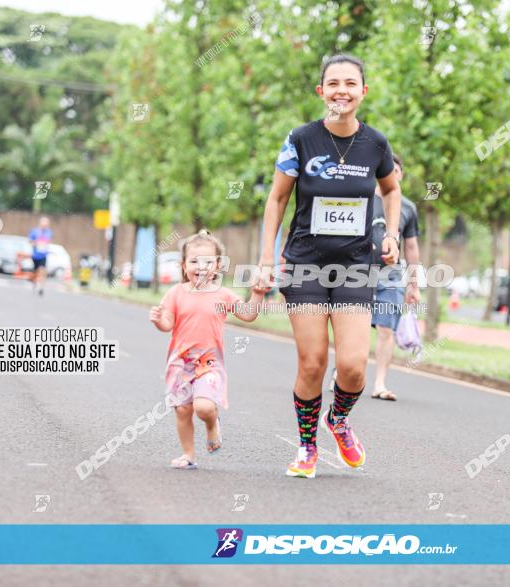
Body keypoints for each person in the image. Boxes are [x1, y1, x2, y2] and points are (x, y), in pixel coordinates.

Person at [256, 54, 403, 479]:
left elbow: (391, 189)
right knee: (313, 362)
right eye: (333, 83)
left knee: (355, 365)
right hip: (305, 264)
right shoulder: (300, 139)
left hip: (357, 265)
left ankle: (337, 420)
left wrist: (390, 234)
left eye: (350, 83)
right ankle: (306, 447)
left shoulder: (376, 143)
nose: (342, 90)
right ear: (321, 91)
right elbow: (277, 199)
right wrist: (268, 257)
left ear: (363, 92)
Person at [149, 230, 265, 470]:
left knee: (203, 407)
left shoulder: (223, 294)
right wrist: (159, 320)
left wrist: (257, 294)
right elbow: (168, 325)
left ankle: (212, 424)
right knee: (182, 410)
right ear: (183, 265)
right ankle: (188, 455)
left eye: (207, 262)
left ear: (218, 265)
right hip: (180, 363)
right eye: (193, 261)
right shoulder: (176, 293)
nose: (200, 267)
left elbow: (248, 314)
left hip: (209, 363)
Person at [368, 154, 422, 401]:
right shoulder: (363, 197)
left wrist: (414, 284)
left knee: (386, 328)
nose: (393, 174)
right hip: (358, 271)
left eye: (397, 170)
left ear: (401, 175)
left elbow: (411, 247)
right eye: (389, 169)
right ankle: (345, 372)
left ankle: (379, 383)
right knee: (351, 324)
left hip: (391, 274)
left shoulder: (408, 208)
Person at [28, 217, 52, 295]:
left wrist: (45, 246)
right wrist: (36, 243)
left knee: (42, 271)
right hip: (35, 256)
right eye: (43, 225)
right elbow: (30, 242)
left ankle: (41, 288)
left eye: (46, 225)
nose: (45, 226)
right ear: (40, 224)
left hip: (43, 256)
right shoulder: (34, 231)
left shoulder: (49, 232)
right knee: (35, 271)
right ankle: (34, 281)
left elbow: (48, 242)